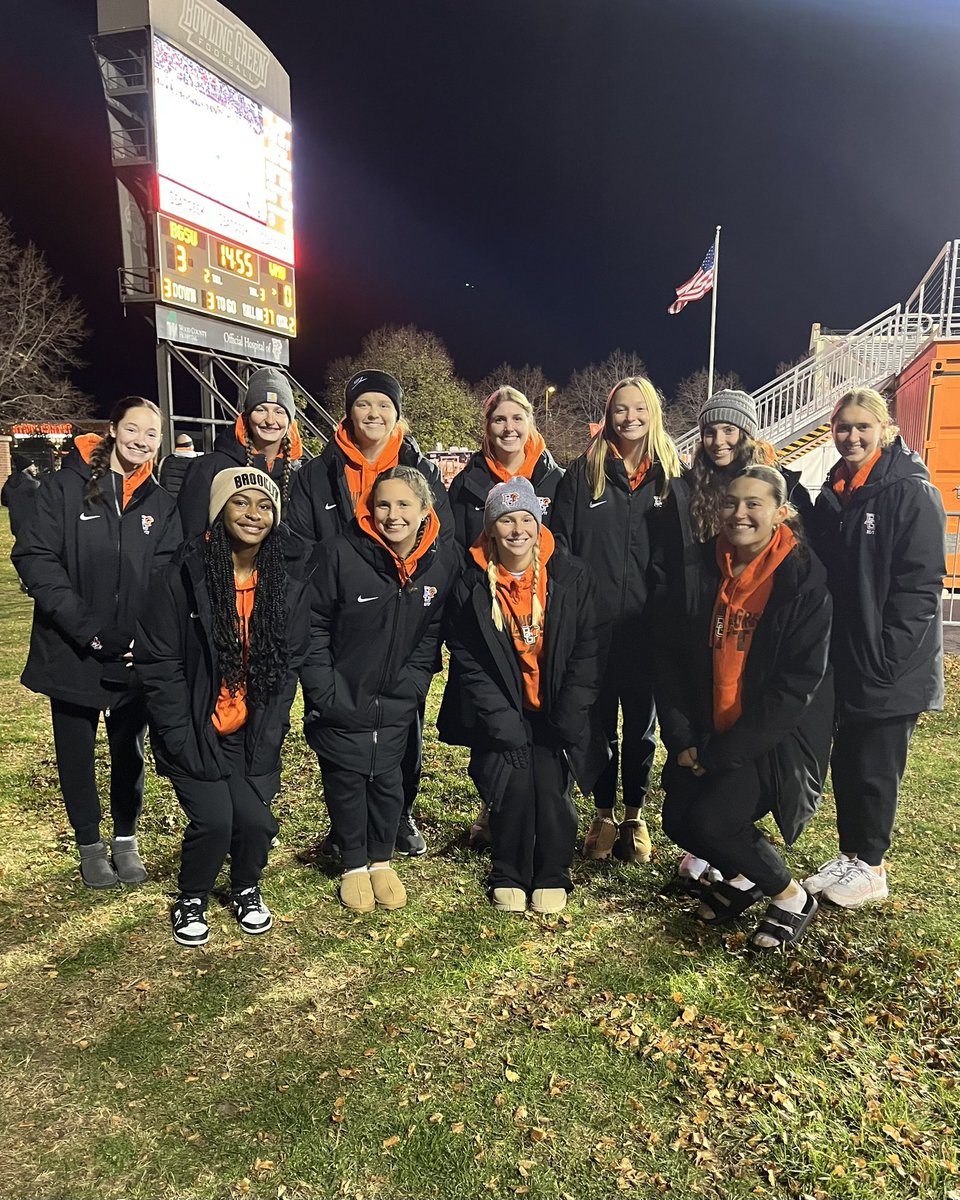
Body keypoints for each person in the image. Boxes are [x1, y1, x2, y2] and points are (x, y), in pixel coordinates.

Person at [657, 466, 833, 950]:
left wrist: (721, 754)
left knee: (714, 821)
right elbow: (670, 658)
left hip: (766, 739)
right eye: (732, 502)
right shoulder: (701, 566)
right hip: (705, 728)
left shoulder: (802, 578)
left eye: (754, 504)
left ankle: (791, 896)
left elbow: (795, 686)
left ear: (780, 512)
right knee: (677, 821)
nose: (740, 513)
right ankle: (743, 877)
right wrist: (685, 739)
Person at [136, 468, 312, 946]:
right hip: (194, 726)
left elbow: (287, 669)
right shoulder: (182, 574)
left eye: (265, 505)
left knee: (257, 822)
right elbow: (159, 665)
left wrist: (268, 737)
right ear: (219, 510)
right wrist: (180, 738)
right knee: (215, 820)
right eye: (241, 503)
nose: (253, 514)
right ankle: (191, 895)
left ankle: (245, 887)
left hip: (247, 730)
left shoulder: (286, 581)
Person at [12, 398, 181, 887]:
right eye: (133, 429)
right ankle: (90, 845)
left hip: (132, 652)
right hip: (72, 647)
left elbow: (166, 574)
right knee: (76, 749)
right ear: (113, 429)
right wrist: (88, 629)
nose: (142, 441)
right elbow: (36, 560)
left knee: (130, 749)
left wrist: (140, 636)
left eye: (152, 434)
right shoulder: (64, 488)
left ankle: (126, 839)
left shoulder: (160, 502)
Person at [288, 369, 453, 857]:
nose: (374, 414)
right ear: (349, 411)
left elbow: (440, 541)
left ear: (397, 413)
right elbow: (298, 547)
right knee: (337, 720)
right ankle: (346, 825)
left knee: (404, 722)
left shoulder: (420, 470)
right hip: (340, 618)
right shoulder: (319, 472)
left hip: (402, 616)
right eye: (364, 405)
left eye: (384, 405)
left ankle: (398, 814)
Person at [439, 477, 607, 914]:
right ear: (491, 528)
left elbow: (588, 650)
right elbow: (470, 662)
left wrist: (568, 717)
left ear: (538, 522)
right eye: (506, 520)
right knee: (512, 787)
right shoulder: (472, 583)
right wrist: (503, 724)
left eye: (525, 519)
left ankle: (553, 873)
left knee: (552, 789)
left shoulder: (570, 575)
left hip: (555, 710)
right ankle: (509, 872)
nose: (517, 529)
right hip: (507, 712)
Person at [803, 387, 945, 908]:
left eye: (863, 426)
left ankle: (873, 865)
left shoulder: (910, 490)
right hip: (849, 653)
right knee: (850, 760)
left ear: (884, 429)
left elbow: (921, 584)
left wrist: (890, 654)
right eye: (844, 427)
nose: (852, 436)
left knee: (877, 766)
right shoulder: (840, 489)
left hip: (889, 662)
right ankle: (852, 854)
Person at [301, 466, 456, 912]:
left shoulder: (439, 561)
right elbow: (313, 625)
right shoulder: (338, 553)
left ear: (424, 510)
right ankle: (353, 863)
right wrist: (324, 689)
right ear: (369, 509)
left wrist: (412, 683)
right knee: (345, 777)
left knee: (389, 777)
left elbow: (432, 631)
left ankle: (381, 860)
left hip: (397, 695)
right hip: (341, 691)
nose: (393, 515)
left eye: (404, 504)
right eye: (383, 504)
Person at [551, 375, 687, 864]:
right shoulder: (584, 473)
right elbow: (559, 547)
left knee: (642, 730)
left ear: (653, 414)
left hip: (647, 631)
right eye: (620, 410)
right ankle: (603, 812)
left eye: (639, 410)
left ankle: (635, 813)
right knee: (599, 725)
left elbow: (681, 555)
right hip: (596, 629)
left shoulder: (670, 478)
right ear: (608, 416)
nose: (629, 419)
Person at [446, 385, 564, 849]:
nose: (508, 428)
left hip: (542, 615)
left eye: (517, 419)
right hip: (490, 615)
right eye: (499, 420)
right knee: (490, 712)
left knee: (543, 711)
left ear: (530, 423)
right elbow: (457, 550)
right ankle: (493, 806)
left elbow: (567, 547)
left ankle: (544, 806)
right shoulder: (467, 482)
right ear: (487, 427)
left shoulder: (556, 478)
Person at [177, 367, 302, 538]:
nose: (270, 420)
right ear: (247, 416)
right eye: (260, 410)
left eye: (279, 412)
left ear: (290, 421)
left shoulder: (301, 475)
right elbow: (189, 538)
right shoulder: (208, 468)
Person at [688, 388, 814, 542]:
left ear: (746, 435)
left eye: (729, 430)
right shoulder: (690, 486)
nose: (718, 442)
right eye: (710, 433)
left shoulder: (786, 486)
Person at [2, 461, 40, 539]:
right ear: (26, 467)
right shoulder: (33, 484)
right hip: (33, 524)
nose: (35, 468)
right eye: (32, 466)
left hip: (16, 523)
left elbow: (4, 501)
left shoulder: (8, 484)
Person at [158, 432, 202, 499]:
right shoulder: (199, 462)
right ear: (191, 446)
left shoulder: (166, 460)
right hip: (188, 501)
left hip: (168, 501)